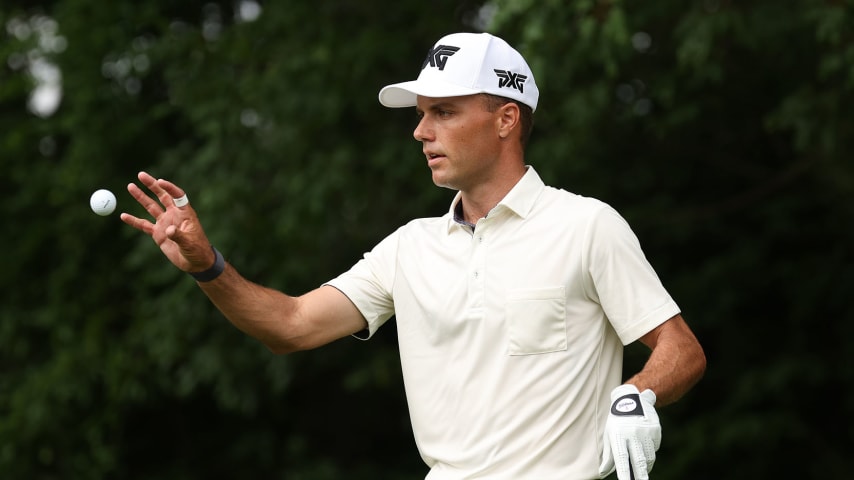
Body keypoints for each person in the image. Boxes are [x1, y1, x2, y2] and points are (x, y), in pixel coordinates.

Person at [121, 32, 705, 480]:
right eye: (421, 113)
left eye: (443, 112)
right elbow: (290, 327)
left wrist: (638, 393)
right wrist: (207, 266)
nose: (420, 131)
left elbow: (681, 349)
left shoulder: (586, 225)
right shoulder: (410, 247)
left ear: (506, 120)